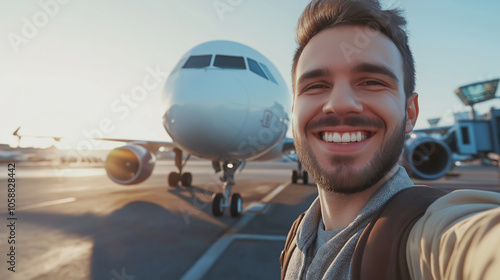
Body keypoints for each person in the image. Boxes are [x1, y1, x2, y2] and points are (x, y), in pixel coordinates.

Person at [284, 0, 500, 279]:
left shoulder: (432, 237)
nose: (339, 103)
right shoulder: (298, 237)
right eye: (315, 86)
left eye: (371, 81)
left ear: (410, 113)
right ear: (293, 112)